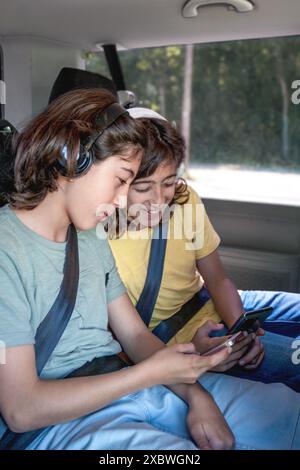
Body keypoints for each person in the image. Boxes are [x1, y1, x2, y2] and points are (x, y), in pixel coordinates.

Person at [0, 89, 299, 451]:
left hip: (128, 382)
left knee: (283, 414)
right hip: (57, 420)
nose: (126, 201)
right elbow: (21, 409)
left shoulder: (89, 238)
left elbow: (136, 336)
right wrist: (151, 374)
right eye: (122, 179)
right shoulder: (7, 251)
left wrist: (197, 395)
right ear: (72, 158)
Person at [108, 107, 300, 393]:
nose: (159, 200)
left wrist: (240, 329)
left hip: (212, 304)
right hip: (173, 341)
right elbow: (125, 337)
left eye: (169, 182)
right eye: (144, 187)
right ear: (120, 182)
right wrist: (194, 354)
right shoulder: (99, 236)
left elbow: (217, 278)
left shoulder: (185, 202)